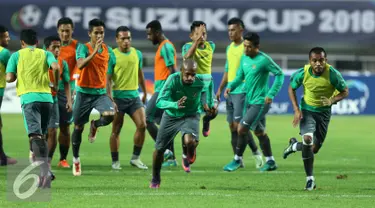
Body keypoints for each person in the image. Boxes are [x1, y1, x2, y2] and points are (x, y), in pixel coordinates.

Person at [283, 47, 349, 191]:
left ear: (326, 60)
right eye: (315, 60)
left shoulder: (333, 74)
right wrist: (296, 109)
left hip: (324, 114)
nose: (318, 63)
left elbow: (345, 91)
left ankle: (294, 146)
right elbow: (291, 88)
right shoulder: (303, 73)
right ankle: (310, 180)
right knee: (307, 139)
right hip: (307, 111)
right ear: (310, 61)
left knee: (314, 148)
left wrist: (332, 100)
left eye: (321, 60)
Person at [150, 58, 216, 188]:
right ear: (181, 72)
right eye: (187, 74)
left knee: (189, 141)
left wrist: (208, 103)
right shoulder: (173, 80)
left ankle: (189, 151)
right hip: (171, 116)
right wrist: (174, 104)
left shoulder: (201, 80)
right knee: (159, 150)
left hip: (191, 115)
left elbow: (208, 85)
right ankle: (156, 178)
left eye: (193, 74)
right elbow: (159, 101)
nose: (190, 77)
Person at [6, 29, 59, 187]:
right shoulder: (45, 53)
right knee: (41, 137)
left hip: (29, 99)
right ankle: (44, 177)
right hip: (47, 99)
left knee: (35, 138)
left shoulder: (16, 55)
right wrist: (54, 84)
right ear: (37, 42)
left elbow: (9, 78)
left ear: (22, 43)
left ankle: (45, 172)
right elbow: (55, 67)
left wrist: (15, 75)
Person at [224, 32, 284, 172]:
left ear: (257, 47)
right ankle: (270, 161)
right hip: (248, 100)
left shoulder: (264, 60)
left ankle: (237, 159)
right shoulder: (244, 58)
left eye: (249, 47)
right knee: (259, 131)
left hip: (261, 102)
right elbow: (240, 76)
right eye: (244, 46)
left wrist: (271, 93)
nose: (245, 49)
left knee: (241, 128)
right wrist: (230, 86)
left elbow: (279, 74)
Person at [215, 18, 263, 170]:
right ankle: (238, 159)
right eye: (229, 30)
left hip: (242, 91)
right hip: (230, 91)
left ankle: (256, 153)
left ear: (241, 30)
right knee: (231, 126)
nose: (230, 33)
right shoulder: (230, 48)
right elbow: (228, 70)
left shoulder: (247, 47)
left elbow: (255, 68)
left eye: (233, 30)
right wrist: (220, 89)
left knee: (239, 126)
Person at [72, 18, 115, 176]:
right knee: (78, 127)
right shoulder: (83, 47)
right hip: (83, 93)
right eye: (96, 33)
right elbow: (81, 65)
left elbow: (108, 75)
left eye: (101, 33)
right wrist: (94, 51)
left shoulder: (108, 50)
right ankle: (76, 160)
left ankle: (95, 125)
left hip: (100, 93)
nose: (99, 35)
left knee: (110, 115)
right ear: (90, 33)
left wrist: (110, 96)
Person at [107, 26, 148, 170]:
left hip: (134, 97)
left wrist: (144, 92)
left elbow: (140, 73)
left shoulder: (137, 54)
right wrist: (110, 98)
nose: (126, 41)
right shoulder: (112, 55)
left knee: (142, 125)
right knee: (116, 130)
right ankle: (115, 161)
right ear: (117, 40)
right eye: (123, 38)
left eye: (128, 38)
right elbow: (108, 78)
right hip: (118, 98)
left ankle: (135, 158)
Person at [145, 20, 178, 167]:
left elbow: (173, 71)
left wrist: (175, 90)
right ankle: (171, 158)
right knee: (164, 125)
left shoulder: (166, 47)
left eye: (150, 34)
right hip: (162, 89)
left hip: (164, 90)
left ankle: (165, 151)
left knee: (147, 119)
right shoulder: (163, 47)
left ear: (157, 33)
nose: (148, 37)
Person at [182, 21, 218, 138]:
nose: (202, 37)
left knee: (213, 112)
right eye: (198, 34)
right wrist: (196, 41)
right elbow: (187, 57)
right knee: (194, 115)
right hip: (194, 86)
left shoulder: (211, 46)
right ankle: (192, 137)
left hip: (207, 85)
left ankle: (206, 121)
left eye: (204, 34)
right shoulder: (187, 47)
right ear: (191, 36)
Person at [44, 36, 72, 167]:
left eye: (58, 47)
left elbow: (66, 83)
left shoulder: (63, 62)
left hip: (59, 96)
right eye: (54, 47)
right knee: (46, 130)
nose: (57, 50)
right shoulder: (41, 61)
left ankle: (61, 159)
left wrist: (69, 100)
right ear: (47, 48)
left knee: (61, 128)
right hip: (44, 97)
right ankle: (38, 155)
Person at [55, 17, 79, 168]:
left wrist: (75, 89)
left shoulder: (78, 47)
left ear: (72, 31)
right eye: (62, 31)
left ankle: (63, 159)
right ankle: (41, 157)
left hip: (67, 90)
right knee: (47, 127)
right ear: (58, 31)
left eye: (67, 31)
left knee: (65, 127)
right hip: (49, 89)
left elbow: (79, 68)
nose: (65, 34)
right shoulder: (51, 46)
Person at [0, 25, 17, 166]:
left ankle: (2, 156)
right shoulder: (4, 53)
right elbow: (11, 73)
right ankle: (2, 159)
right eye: (5, 36)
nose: (8, 38)